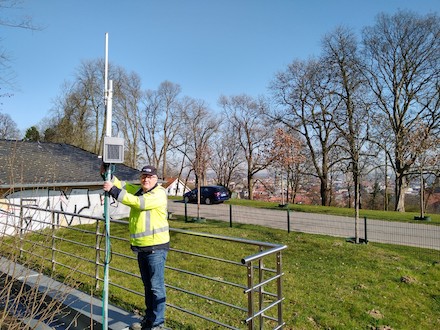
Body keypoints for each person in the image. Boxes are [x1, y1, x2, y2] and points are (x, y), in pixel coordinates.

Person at [102, 164, 169, 330]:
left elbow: (137, 203)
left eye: (150, 177)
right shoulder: (140, 190)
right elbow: (123, 186)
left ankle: (158, 323)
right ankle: (149, 320)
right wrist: (107, 174)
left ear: (156, 179)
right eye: (143, 177)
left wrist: (113, 191)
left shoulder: (158, 194)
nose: (146, 180)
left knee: (156, 288)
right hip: (142, 248)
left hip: (156, 248)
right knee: (148, 287)